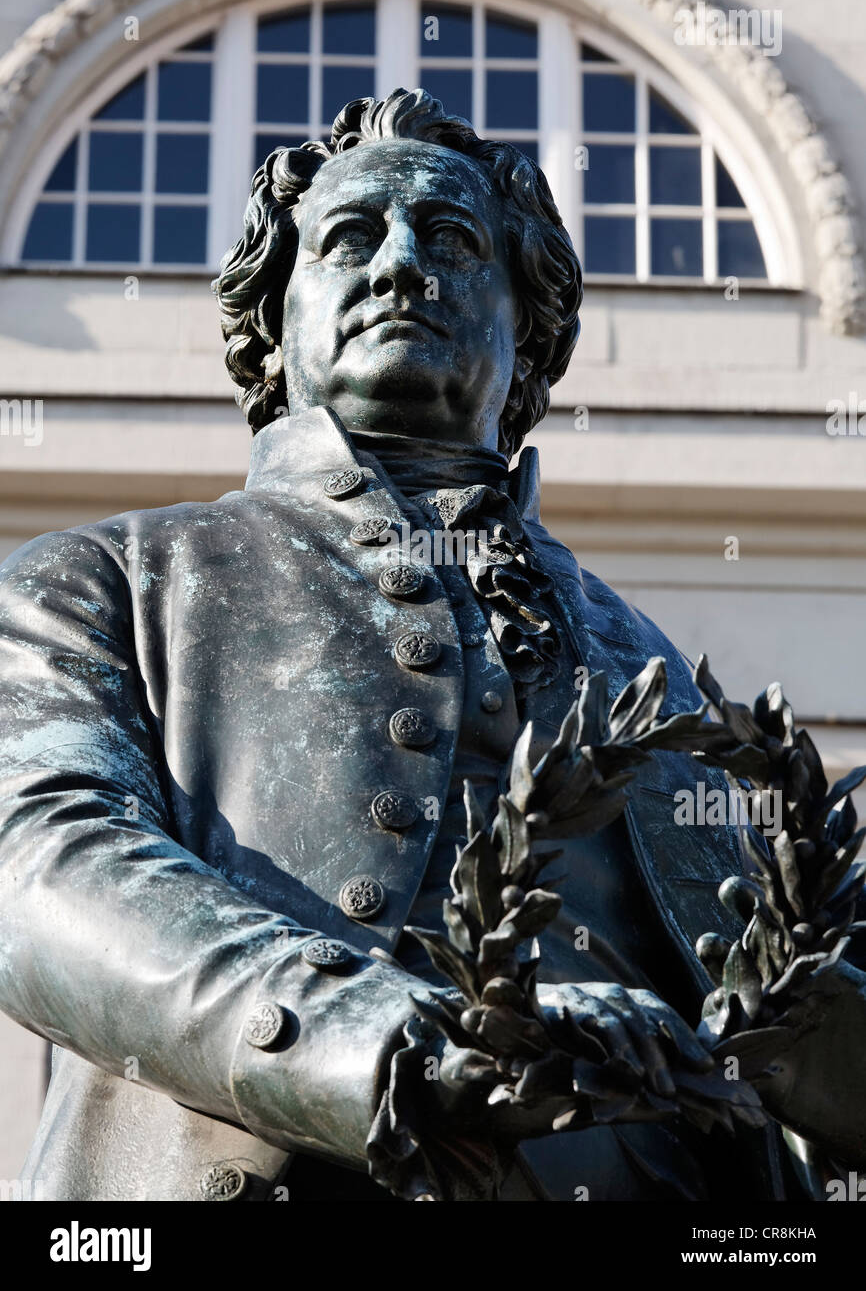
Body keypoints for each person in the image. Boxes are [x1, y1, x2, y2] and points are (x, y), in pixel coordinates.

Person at [0, 89, 861, 1201]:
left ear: (530, 326)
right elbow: (38, 865)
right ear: (274, 321)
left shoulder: (661, 678)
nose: (401, 264)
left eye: (450, 239)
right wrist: (381, 1036)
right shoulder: (109, 578)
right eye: (350, 238)